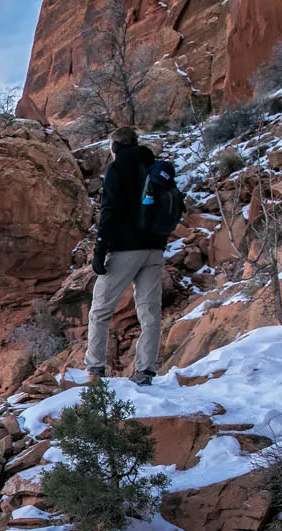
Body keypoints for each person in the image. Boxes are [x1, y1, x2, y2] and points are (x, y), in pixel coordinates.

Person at [86, 127, 173, 386]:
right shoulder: (155, 167)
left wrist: (100, 248)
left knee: (100, 310)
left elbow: (109, 209)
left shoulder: (118, 168)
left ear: (115, 147)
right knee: (150, 313)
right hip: (154, 248)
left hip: (125, 248)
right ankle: (145, 372)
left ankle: (95, 370)